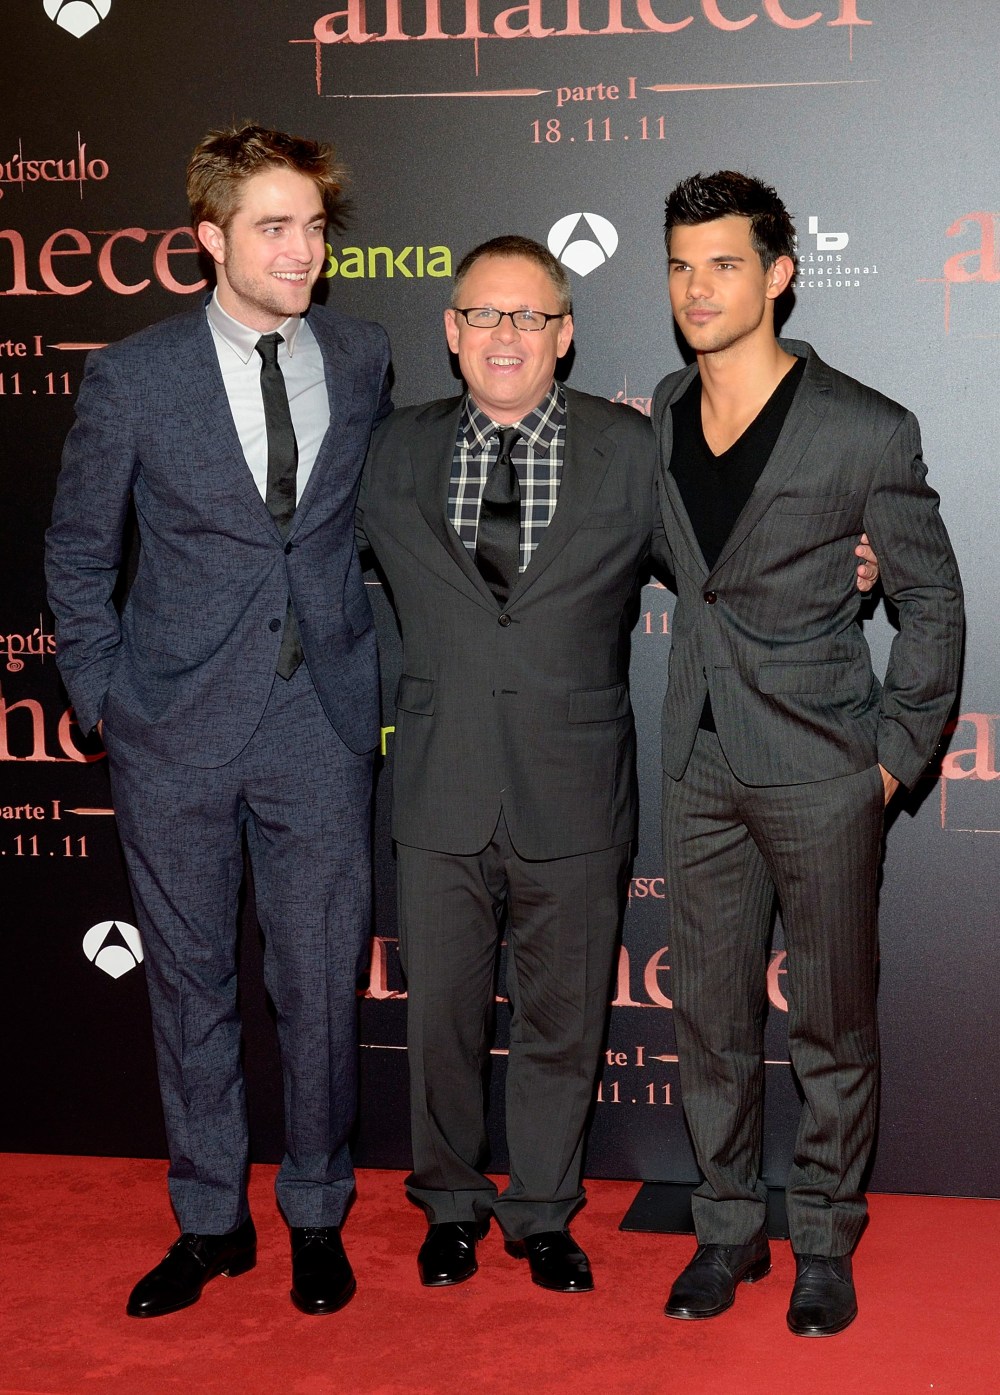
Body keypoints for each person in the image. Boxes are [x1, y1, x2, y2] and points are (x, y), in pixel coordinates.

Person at [357, 235, 878, 1295]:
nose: (507, 335)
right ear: (451, 331)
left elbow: (724, 564)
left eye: (531, 316)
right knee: (441, 1022)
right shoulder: (390, 449)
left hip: (577, 786)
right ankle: (449, 1205)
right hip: (438, 782)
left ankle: (544, 1212)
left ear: (565, 334)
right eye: (484, 314)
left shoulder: (631, 447)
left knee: (563, 1023)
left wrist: (842, 562)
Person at [45, 124, 391, 1318]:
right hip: (173, 728)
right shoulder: (134, 376)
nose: (302, 251)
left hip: (320, 723)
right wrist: (105, 702)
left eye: (314, 227)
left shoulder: (362, 355)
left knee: (320, 984)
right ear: (211, 238)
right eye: (273, 227)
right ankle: (208, 1220)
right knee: (190, 986)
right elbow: (79, 553)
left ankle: (315, 1212)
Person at [652, 172, 963, 1336]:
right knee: (709, 1019)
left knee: (830, 1025)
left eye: (723, 264)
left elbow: (932, 603)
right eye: (680, 265)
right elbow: (690, 566)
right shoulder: (663, 413)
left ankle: (824, 1239)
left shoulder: (865, 427)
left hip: (823, 768)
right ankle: (727, 1228)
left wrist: (889, 760)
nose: (697, 288)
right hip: (699, 763)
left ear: (779, 274)